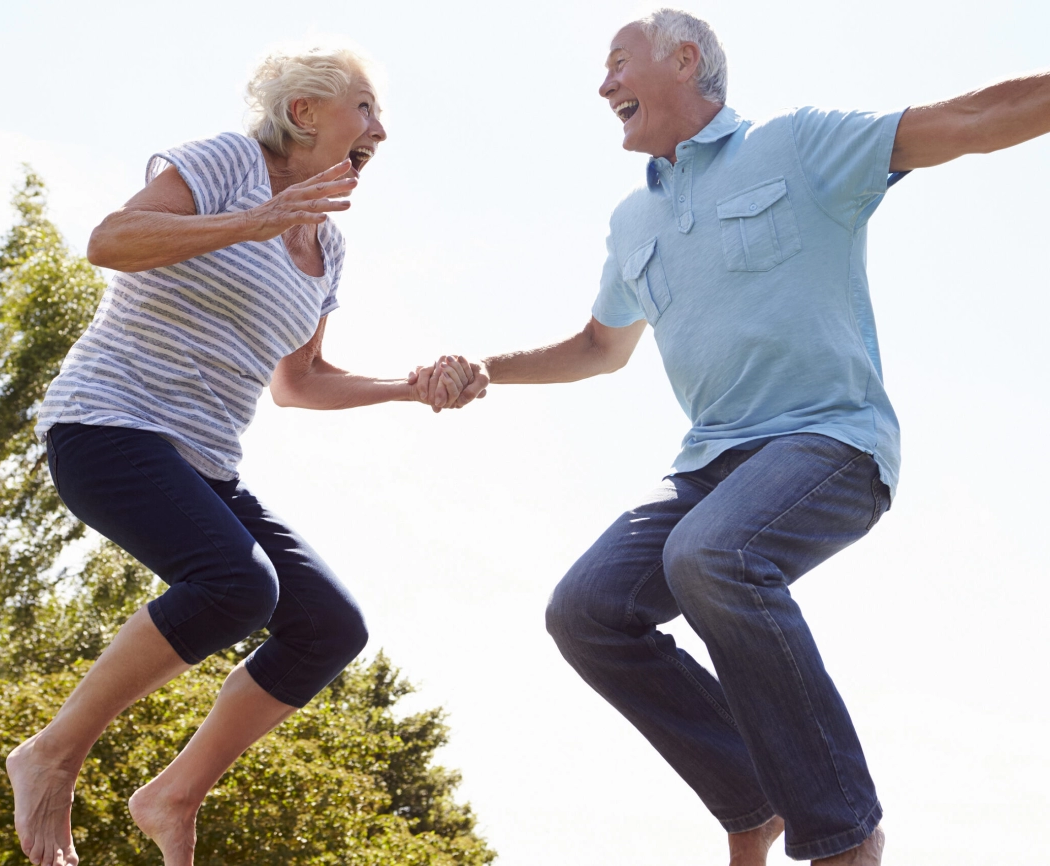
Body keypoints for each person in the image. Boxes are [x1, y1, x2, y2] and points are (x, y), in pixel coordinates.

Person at [419, 8, 1050, 864]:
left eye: (618, 64)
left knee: (710, 556)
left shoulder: (798, 147)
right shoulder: (631, 221)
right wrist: (491, 367)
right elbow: (600, 348)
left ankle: (842, 835)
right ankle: (748, 796)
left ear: (685, 61)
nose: (603, 84)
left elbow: (969, 122)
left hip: (831, 444)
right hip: (713, 464)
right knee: (588, 610)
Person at [5, 46, 468, 866]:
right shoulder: (229, 163)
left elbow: (304, 381)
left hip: (206, 465)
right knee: (237, 584)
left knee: (329, 626)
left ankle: (173, 795)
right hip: (106, 427)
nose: (381, 132)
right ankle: (52, 754)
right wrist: (255, 219)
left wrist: (411, 385)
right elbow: (110, 241)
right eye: (365, 109)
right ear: (304, 113)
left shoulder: (329, 245)